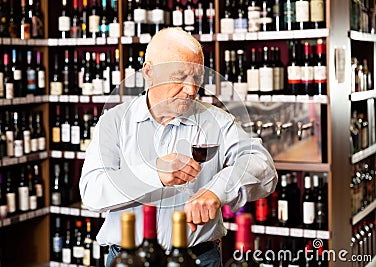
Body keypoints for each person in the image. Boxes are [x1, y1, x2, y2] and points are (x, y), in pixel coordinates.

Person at [79, 27, 278, 267]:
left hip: (199, 259)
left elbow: (262, 166)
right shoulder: (114, 122)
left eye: (197, 78)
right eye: (180, 76)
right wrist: (153, 173)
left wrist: (216, 191)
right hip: (128, 260)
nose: (191, 89)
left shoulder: (217, 121)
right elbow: (92, 192)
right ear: (149, 72)